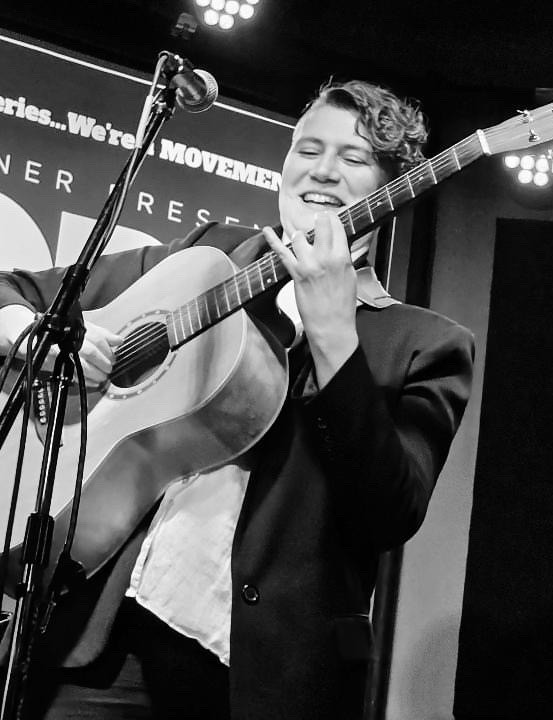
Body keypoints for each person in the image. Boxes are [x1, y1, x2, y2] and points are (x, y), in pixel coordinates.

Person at [0, 79, 474, 719]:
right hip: (97, 639)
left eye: (353, 158)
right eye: (308, 149)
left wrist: (335, 337)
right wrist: (34, 338)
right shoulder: (209, 256)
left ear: (395, 187)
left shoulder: (426, 345)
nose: (322, 171)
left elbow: (390, 512)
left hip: (251, 677)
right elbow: (16, 290)